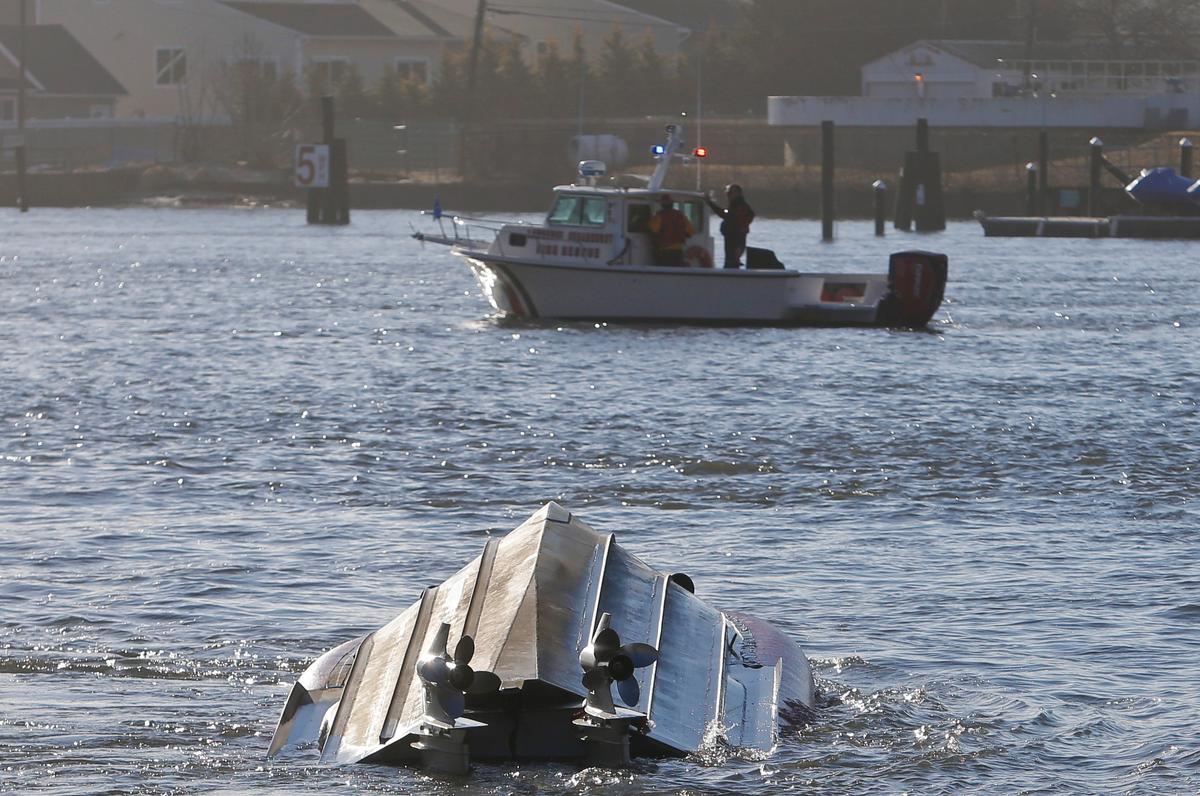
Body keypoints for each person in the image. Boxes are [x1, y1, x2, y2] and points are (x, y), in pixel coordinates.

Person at [706, 183, 755, 268]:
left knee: (731, 262)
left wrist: (710, 203)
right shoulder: (735, 206)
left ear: (737, 193)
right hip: (732, 239)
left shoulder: (740, 207)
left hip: (735, 240)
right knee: (731, 261)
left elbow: (726, 215)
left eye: (729, 193)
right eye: (727, 193)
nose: (727, 196)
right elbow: (726, 213)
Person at [647, 194, 695, 267]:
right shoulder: (681, 215)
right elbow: (690, 232)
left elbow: (652, 230)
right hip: (678, 252)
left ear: (662, 204)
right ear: (672, 203)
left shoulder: (659, 216)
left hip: (664, 252)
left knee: (663, 272)